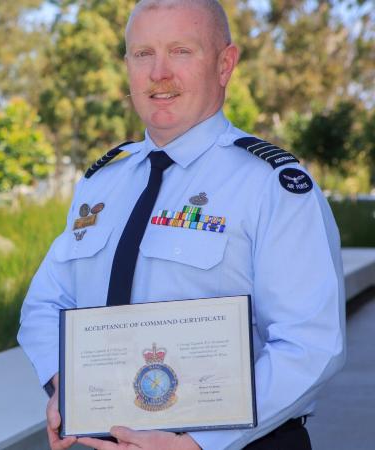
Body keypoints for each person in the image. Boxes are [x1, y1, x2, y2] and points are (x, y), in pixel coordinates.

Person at [17, 1, 345, 449]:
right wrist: (67, 386)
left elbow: (311, 344)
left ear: (225, 64)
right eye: (142, 53)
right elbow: (46, 302)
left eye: (181, 51)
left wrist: (195, 442)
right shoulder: (101, 184)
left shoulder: (272, 186)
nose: (159, 73)